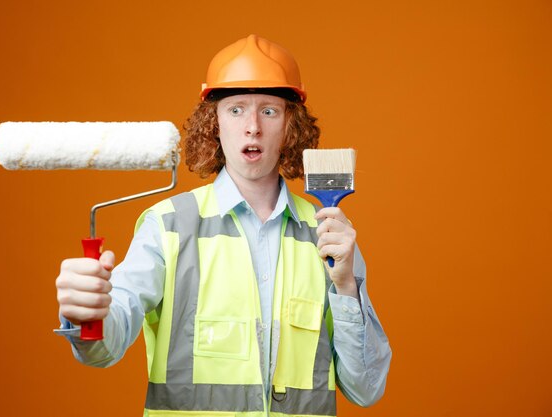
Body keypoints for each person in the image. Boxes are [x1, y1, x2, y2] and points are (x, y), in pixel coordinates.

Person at [55, 34, 391, 416]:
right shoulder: (167, 226)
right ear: (213, 124)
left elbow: (366, 389)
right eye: (235, 110)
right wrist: (87, 315)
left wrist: (346, 287)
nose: (252, 127)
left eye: (269, 111)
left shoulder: (330, 237)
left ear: (289, 127)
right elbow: (104, 348)